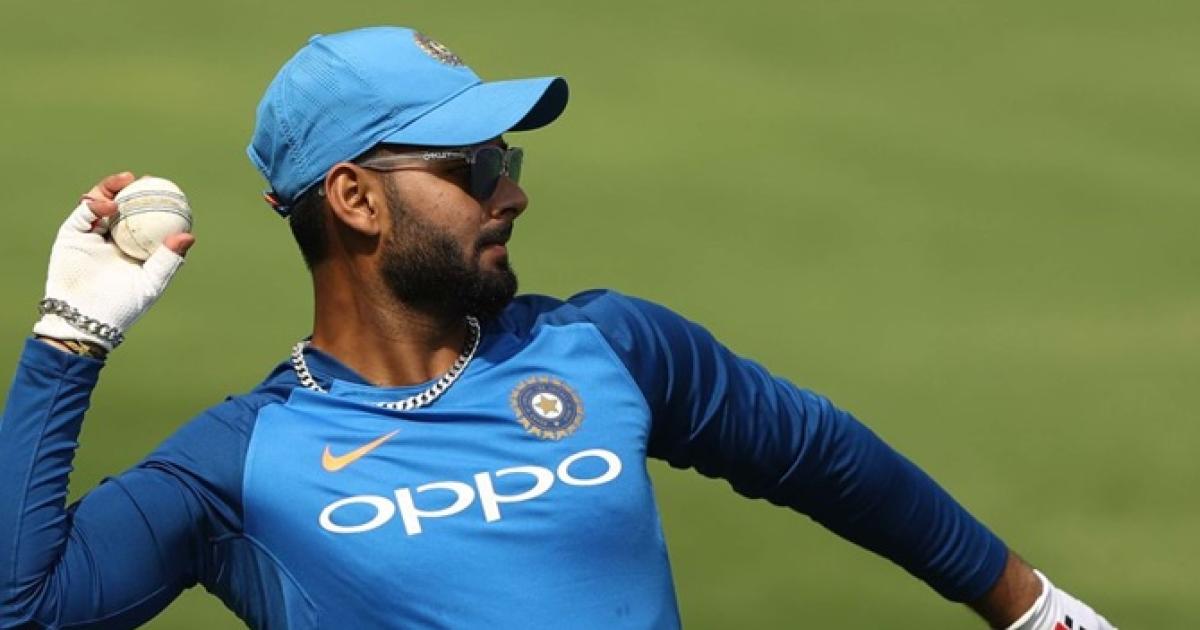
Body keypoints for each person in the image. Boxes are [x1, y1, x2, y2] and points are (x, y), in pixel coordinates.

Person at [0, 25, 1115, 630]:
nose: (513, 192)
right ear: (355, 199)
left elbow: (820, 455)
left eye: (509, 159)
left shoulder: (609, 348)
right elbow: (25, 606)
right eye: (475, 166)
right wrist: (68, 340)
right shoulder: (238, 466)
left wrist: (1034, 610)